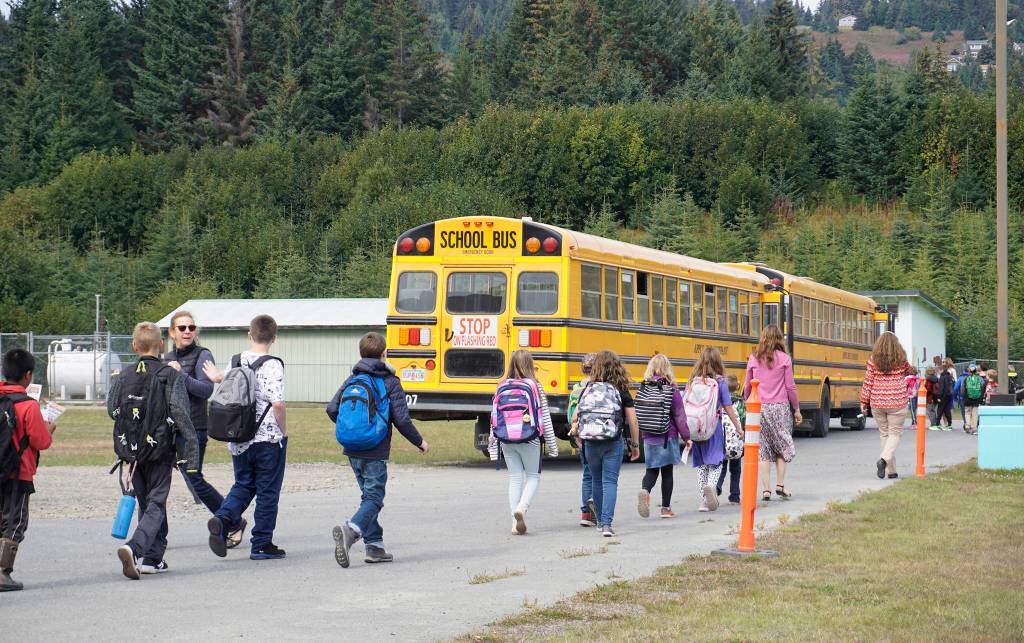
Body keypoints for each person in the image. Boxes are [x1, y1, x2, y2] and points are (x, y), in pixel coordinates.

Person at [328, 332, 428, 567]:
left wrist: (352, 428)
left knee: (368, 497)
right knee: (374, 498)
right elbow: (402, 420)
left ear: (361, 354)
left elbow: (332, 409)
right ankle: (351, 531)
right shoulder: (390, 382)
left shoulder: (352, 380)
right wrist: (420, 442)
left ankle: (375, 547)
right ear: (384, 354)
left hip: (352, 449)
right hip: (375, 449)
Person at [111, 322, 198, 579]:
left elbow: (111, 409)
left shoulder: (123, 376)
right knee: (156, 503)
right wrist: (191, 451)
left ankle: (153, 557)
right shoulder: (169, 375)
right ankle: (135, 548)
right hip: (160, 450)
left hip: (132, 451)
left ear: (134, 346)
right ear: (161, 345)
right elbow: (181, 414)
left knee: (145, 501)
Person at [204, 315, 288, 561]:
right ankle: (261, 543)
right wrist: (283, 431)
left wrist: (215, 376)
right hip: (267, 438)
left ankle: (223, 518)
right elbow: (278, 403)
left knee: (243, 484)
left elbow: (224, 381)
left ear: (249, 335)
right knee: (267, 491)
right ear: (274, 338)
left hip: (239, 437)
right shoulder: (273, 364)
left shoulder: (236, 360)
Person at [163, 311, 244, 548]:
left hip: (194, 428)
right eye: (182, 328)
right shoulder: (167, 356)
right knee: (159, 480)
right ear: (172, 332)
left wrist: (180, 376)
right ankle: (156, 536)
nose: (187, 331)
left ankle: (232, 520)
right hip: (170, 428)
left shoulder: (202, 354)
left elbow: (206, 390)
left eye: (191, 327)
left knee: (194, 478)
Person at [0, 349, 56, 591]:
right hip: (17, 472)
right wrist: (49, 429)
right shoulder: (28, 405)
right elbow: (41, 441)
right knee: (14, 522)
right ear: (28, 375)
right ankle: (3, 572)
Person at [488, 350, 559, 535]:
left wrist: (493, 446)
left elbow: (494, 417)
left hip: (506, 438)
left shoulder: (502, 385)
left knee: (515, 478)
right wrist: (552, 446)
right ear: (530, 364)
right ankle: (522, 508)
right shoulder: (535, 385)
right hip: (530, 438)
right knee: (533, 476)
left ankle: (514, 522)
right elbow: (545, 417)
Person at [571, 350, 640, 537]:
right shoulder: (621, 389)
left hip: (591, 442)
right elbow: (633, 421)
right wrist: (635, 446)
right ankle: (607, 525)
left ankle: (600, 521)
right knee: (610, 481)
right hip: (613, 441)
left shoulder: (589, 387)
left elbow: (576, 416)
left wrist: (578, 435)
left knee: (597, 480)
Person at [743, 325, 800, 501]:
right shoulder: (784, 359)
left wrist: (748, 405)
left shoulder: (753, 358)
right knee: (783, 446)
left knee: (763, 449)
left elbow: (747, 385)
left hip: (759, 408)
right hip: (780, 408)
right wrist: (796, 408)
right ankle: (780, 485)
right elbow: (790, 386)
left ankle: (766, 490)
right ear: (779, 339)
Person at [685, 347, 742, 512]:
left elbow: (685, 403)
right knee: (716, 462)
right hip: (713, 427)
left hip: (697, 429)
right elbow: (728, 407)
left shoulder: (693, 380)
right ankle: (711, 486)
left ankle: (703, 501)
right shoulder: (721, 382)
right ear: (718, 361)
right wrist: (738, 428)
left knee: (702, 465)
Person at [636, 354, 687, 519]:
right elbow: (680, 415)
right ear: (667, 368)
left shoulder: (643, 388)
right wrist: (686, 437)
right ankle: (665, 508)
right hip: (667, 435)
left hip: (648, 436)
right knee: (667, 472)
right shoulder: (671, 388)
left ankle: (645, 490)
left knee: (651, 470)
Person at [860, 332, 914, 479]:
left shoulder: (873, 360)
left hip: (877, 401)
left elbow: (868, 381)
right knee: (895, 434)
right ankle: (883, 460)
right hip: (897, 401)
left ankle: (892, 471)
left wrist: (863, 401)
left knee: (884, 434)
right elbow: (908, 371)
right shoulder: (901, 359)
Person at [567, 353, 597, 527]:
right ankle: (597, 506)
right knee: (598, 474)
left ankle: (585, 513)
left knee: (587, 474)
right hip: (596, 435)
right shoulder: (599, 387)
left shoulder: (576, 388)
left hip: (580, 435)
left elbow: (570, 414)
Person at [716, 374, 744, 504]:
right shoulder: (740, 401)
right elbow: (744, 418)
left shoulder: (720, 400)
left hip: (723, 438)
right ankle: (734, 495)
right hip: (736, 441)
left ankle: (717, 487)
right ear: (737, 386)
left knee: (721, 465)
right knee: (736, 468)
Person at [960, 364, 986, 435]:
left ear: (969, 371)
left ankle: (968, 426)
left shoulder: (966, 379)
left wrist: (963, 397)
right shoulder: (980, 379)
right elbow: (983, 388)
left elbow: (962, 390)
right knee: (975, 413)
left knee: (967, 412)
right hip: (977, 399)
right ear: (976, 371)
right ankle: (974, 429)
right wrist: (980, 397)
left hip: (967, 398)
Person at [937, 364, 955, 430]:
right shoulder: (950, 376)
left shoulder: (942, 377)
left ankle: (937, 423)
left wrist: (939, 397)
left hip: (943, 396)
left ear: (941, 370)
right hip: (949, 395)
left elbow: (941, 388)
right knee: (947, 410)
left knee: (940, 410)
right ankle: (949, 424)